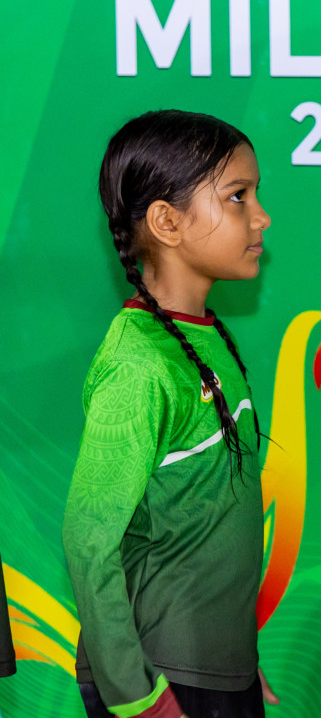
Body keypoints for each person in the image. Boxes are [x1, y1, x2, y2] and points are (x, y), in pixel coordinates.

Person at [64, 110, 280, 718]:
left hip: (211, 672)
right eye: (238, 197)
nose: (261, 216)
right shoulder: (139, 364)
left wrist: (233, 661)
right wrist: (137, 696)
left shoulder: (206, 335)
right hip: (162, 680)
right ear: (166, 221)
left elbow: (206, 523)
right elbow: (88, 542)